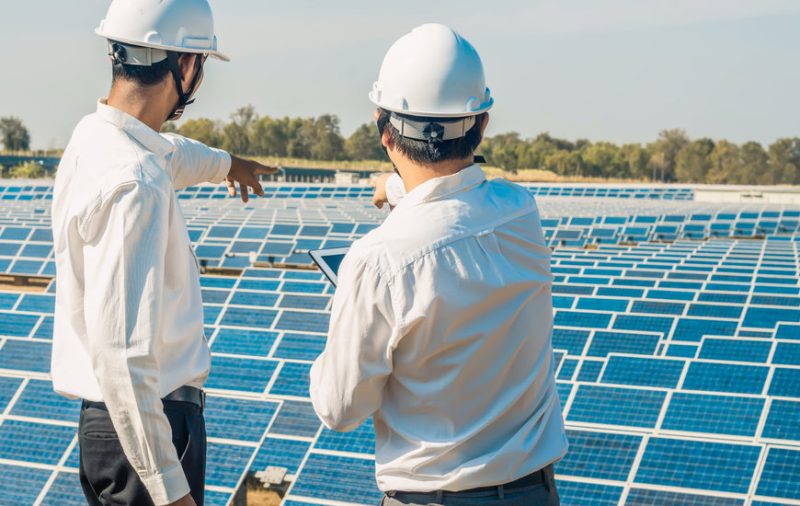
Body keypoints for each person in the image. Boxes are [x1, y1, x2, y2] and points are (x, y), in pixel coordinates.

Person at [309, 23, 568, 506]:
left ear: (383, 130)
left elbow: (339, 409)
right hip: (535, 492)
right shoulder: (521, 213)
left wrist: (348, 310)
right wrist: (396, 187)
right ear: (482, 124)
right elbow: (455, 203)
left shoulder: (376, 261)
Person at [50, 1, 275, 505]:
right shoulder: (136, 184)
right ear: (186, 65)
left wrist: (228, 164)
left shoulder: (95, 139)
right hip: (147, 429)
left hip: (118, 428)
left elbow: (170, 154)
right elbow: (122, 357)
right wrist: (169, 489)